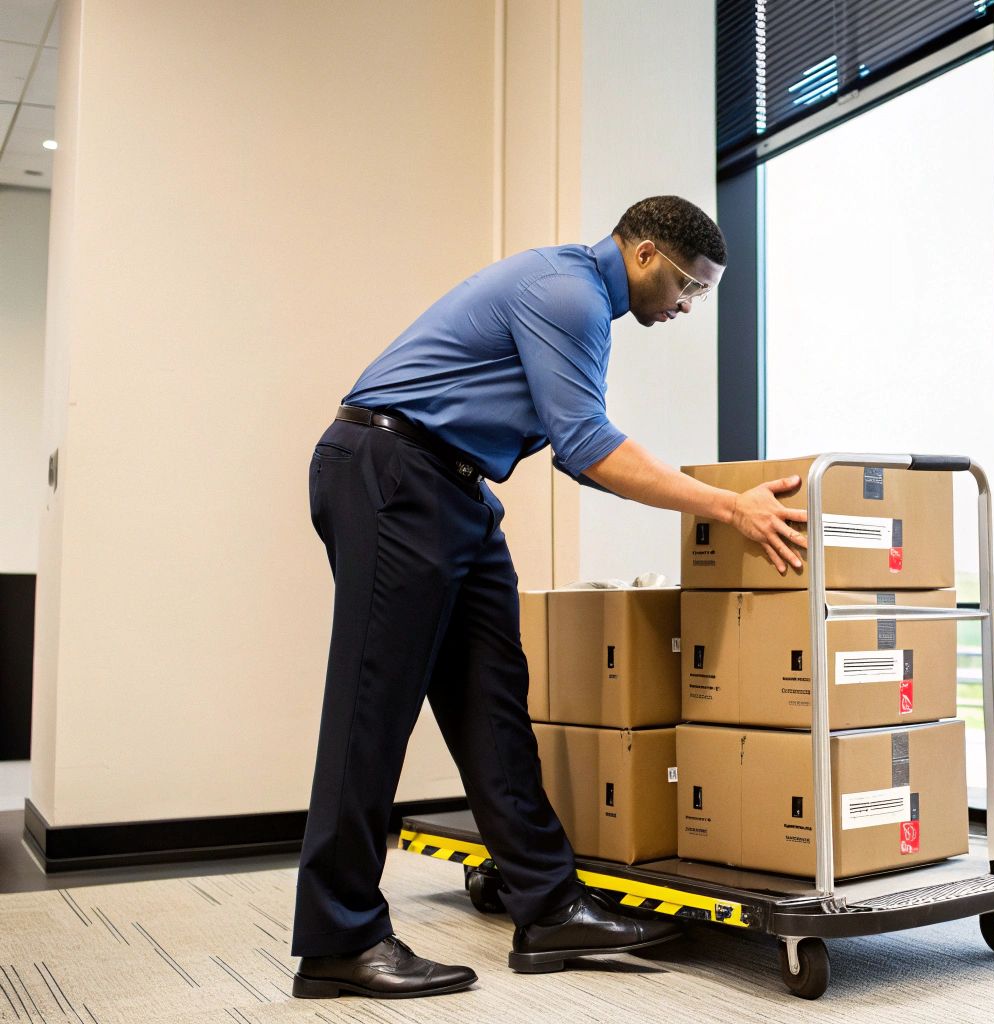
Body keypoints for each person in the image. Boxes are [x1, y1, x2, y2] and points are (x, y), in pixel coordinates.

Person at [289, 195, 808, 1000]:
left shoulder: (579, 300)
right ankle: (338, 937)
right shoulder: (569, 294)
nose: (687, 306)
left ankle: (549, 906)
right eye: (687, 287)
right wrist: (730, 506)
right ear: (642, 256)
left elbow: (570, 438)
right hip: (393, 471)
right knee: (372, 707)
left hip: (454, 488)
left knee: (494, 704)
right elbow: (587, 445)